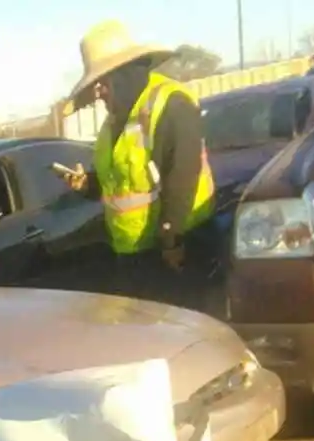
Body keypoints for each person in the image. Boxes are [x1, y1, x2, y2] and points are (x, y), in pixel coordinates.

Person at [61, 20, 220, 313]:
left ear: (123, 75)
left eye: (102, 83)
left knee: (183, 337)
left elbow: (181, 173)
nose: (99, 93)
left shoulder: (170, 103)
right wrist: (87, 185)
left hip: (176, 250)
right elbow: (122, 186)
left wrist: (172, 238)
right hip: (133, 255)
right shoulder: (114, 122)